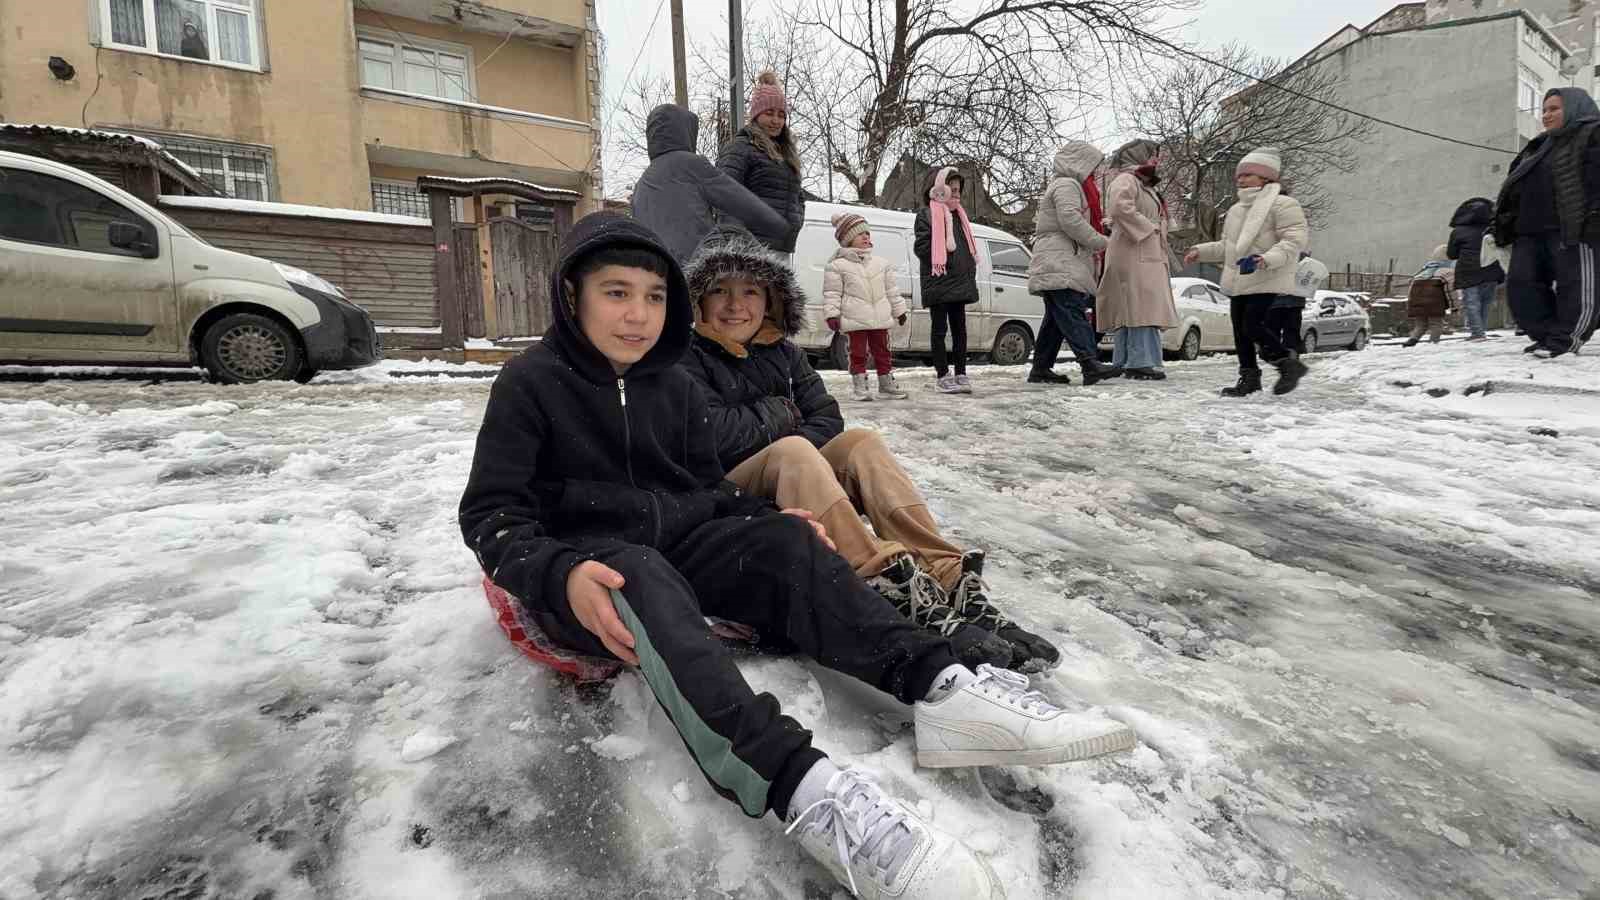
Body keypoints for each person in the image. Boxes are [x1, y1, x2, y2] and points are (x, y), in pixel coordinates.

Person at [459, 212, 1135, 898]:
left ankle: (943, 686)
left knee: (786, 539)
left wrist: (769, 521)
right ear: (571, 295)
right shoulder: (531, 382)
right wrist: (560, 573)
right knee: (639, 574)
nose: (638, 314)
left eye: (655, 296)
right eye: (616, 293)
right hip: (594, 571)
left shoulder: (672, 385)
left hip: (680, 543)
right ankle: (801, 787)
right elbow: (491, 515)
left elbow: (708, 489)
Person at [681, 226, 1060, 671]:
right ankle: (880, 582)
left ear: (770, 299)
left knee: (861, 442)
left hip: (797, 478)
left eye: (750, 290)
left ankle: (947, 577)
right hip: (728, 493)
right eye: (720, 291)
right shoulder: (684, 355)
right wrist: (781, 416)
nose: (735, 305)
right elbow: (710, 435)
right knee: (793, 451)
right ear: (698, 300)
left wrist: (794, 440)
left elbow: (827, 418)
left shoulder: (784, 353)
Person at [1186, 148, 1310, 397]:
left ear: (1266, 177)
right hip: (1239, 276)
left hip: (1267, 274)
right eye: (1239, 175)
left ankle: (1286, 362)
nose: (1240, 179)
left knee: (1252, 325)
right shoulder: (1236, 209)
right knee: (1240, 330)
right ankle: (1249, 377)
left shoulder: (1283, 204)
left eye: (1248, 175)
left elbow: (1294, 240)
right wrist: (1201, 251)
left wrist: (1267, 259)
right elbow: (1228, 247)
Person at [1494, 86, 1600, 358]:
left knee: (1577, 287)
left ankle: (1566, 339)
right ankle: (1544, 334)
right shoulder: (1538, 146)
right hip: (1529, 231)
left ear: (1575, 108)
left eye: (1554, 109)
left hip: (1574, 227)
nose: (1546, 115)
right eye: (1544, 110)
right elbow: (1514, 187)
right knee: (1521, 286)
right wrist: (1501, 223)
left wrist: (1595, 215)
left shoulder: (1593, 134)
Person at [631, 104, 788, 263]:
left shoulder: (640, 185)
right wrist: (778, 225)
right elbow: (736, 198)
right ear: (685, 132)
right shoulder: (689, 164)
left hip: (660, 269)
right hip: (697, 263)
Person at [1026, 140, 1124, 386]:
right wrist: (1101, 241)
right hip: (1060, 259)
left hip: (1057, 257)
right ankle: (1090, 364)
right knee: (1071, 311)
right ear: (1080, 163)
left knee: (1055, 320)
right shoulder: (1067, 184)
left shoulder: (1065, 184)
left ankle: (1040, 369)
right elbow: (1070, 219)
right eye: (1093, 166)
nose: (1095, 172)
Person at [1096, 140, 1179, 381]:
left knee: (1137, 306)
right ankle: (1139, 362)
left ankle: (1128, 360)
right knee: (1139, 305)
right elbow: (1119, 207)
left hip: (1142, 250)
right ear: (1138, 156)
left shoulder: (1141, 182)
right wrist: (1149, 228)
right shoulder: (1127, 179)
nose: (1156, 160)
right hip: (1135, 250)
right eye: (1152, 155)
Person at [823, 212, 910, 402]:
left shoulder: (882, 264)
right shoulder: (837, 265)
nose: (865, 237)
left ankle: (886, 384)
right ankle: (860, 386)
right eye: (859, 233)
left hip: (880, 317)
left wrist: (900, 310)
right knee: (858, 353)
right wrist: (832, 314)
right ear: (847, 239)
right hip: (855, 318)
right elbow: (832, 293)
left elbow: (892, 291)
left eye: (867, 233)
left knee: (883, 352)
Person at [717, 71, 805, 254]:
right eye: (769, 113)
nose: (776, 121)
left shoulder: (787, 155)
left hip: (782, 248)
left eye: (781, 115)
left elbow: (797, 197)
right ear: (756, 115)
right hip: (749, 248)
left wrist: (795, 224)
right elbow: (725, 197)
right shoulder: (741, 147)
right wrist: (737, 244)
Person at [914, 166, 980, 394]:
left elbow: (965, 249)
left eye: (959, 190)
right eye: (952, 189)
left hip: (959, 283)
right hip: (939, 281)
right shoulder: (926, 214)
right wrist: (946, 257)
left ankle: (961, 372)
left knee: (960, 330)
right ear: (938, 189)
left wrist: (968, 269)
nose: (957, 194)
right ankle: (942, 374)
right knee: (940, 330)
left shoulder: (959, 216)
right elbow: (922, 248)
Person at [1447, 198, 1505, 341]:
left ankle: (1478, 333)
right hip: (1491, 269)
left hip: (1469, 271)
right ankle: (1480, 331)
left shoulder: (1458, 231)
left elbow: (1452, 254)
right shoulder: (1493, 230)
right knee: (1485, 302)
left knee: (1472, 303)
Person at [1275, 251, 1329, 354]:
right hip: (1284, 302)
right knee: (1286, 331)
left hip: (1286, 302)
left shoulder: (1291, 253)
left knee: (1285, 331)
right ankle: (1284, 354)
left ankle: (1285, 355)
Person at [1403, 247, 1455, 346]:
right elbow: (1450, 291)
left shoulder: (1422, 271)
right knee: (1436, 324)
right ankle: (1433, 344)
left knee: (1420, 325)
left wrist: (1410, 304)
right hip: (1434, 302)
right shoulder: (1447, 271)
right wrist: (1454, 306)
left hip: (1416, 301)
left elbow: (1410, 289)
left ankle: (1412, 340)